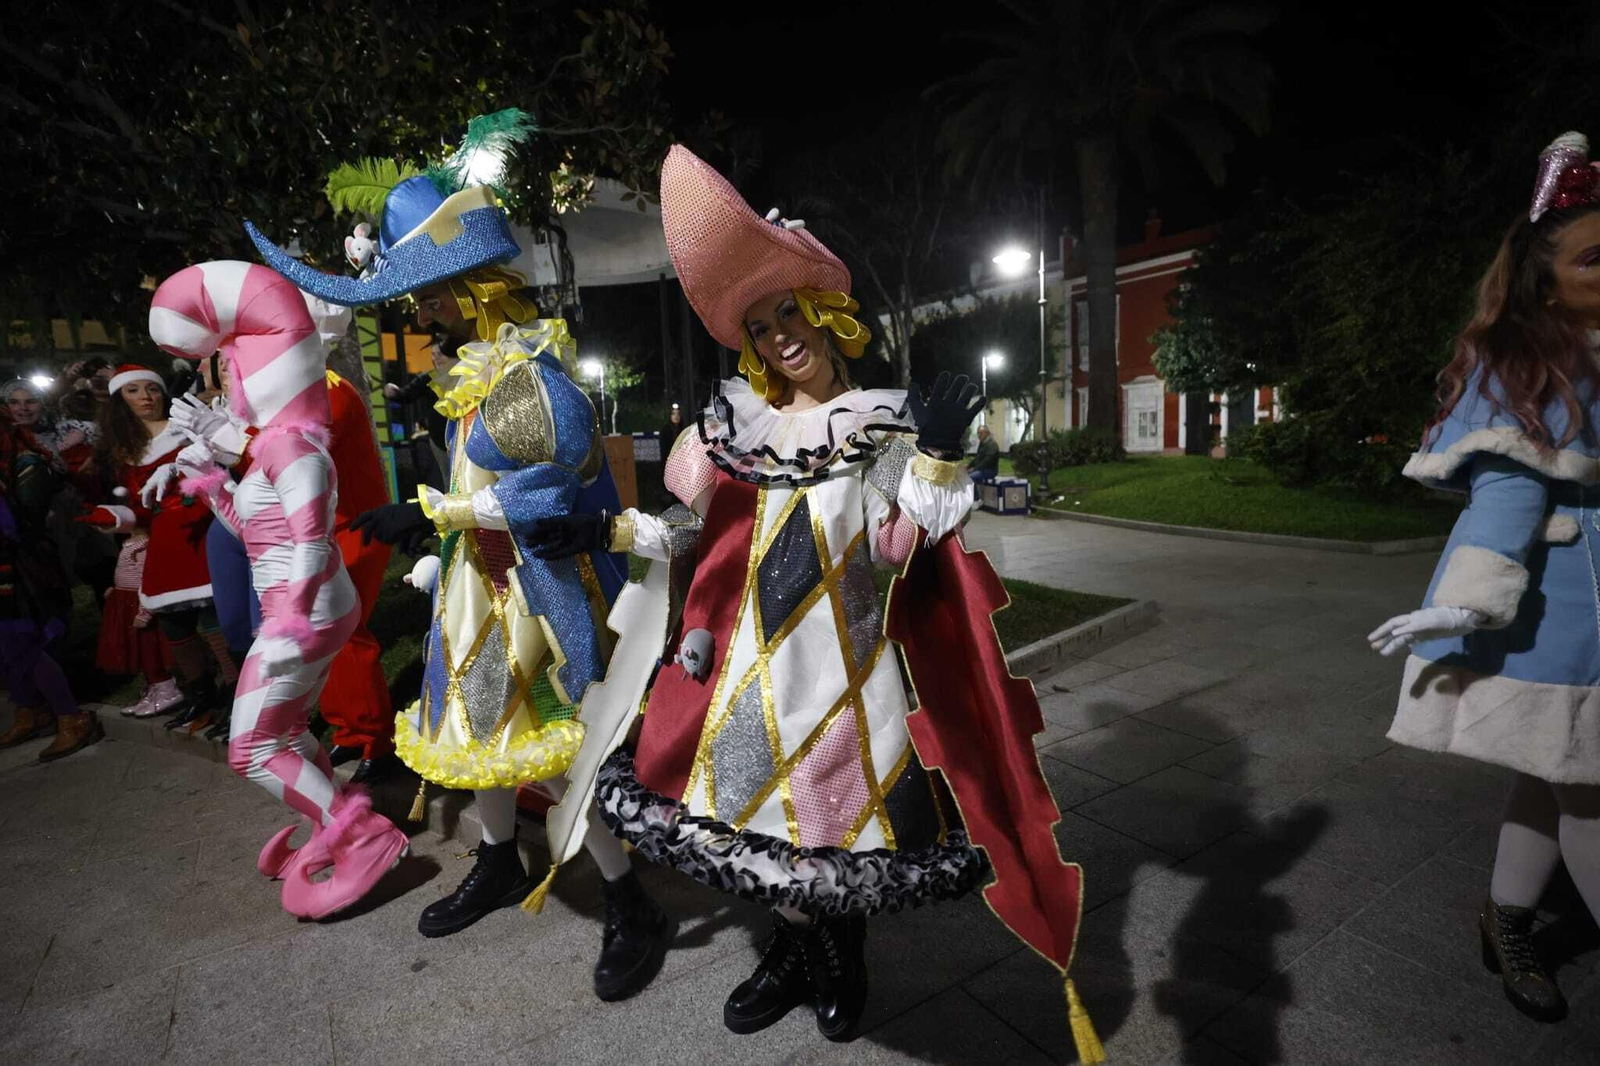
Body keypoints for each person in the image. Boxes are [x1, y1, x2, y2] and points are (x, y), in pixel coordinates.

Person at [526, 146, 1097, 1055]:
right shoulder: (733, 432)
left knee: (829, 836)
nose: (778, 335)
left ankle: (840, 957)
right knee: (751, 830)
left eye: (788, 310)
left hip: (840, 674)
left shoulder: (881, 424)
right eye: (758, 326)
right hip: (749, 674)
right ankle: (792, 953)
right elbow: (693, 542)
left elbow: (903, 544)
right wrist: (604, 534)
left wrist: (940, 456)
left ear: (825, 311)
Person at [249, 109, 671, 998]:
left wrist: (436, 509)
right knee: (474, 734)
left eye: (433, 298)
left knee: (558, 749)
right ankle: (498, 861)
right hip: (478, 591)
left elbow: (552, 491)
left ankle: (632, 897)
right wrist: (438, 535)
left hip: (533, 595)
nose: (425, 314)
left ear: (475, 289)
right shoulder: (484, 376)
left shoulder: (531, 378)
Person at [1368, 131, 1600, 1024]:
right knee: (1586, 785)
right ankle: (1510, 923)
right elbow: (1504, 494)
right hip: (1562, 621)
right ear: (1545, 279)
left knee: (1553, 776)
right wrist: (1461, 605)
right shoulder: (1532, 368)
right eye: (1593, 257)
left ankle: (1505, 920)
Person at [148, 260, 409, 920]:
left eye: (237, 373)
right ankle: (333, 821)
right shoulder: (277, 447)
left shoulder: (294, 447)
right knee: (285, 729)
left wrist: (290, 611)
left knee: (253, 747)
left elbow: (312, 526)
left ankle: (358, 831)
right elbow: (257, 530)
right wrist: (210, 483)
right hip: (307, 609)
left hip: (306, 613)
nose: (231, 387)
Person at [80, 365, 230, 731]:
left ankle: (236, 698)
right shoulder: (122, 451)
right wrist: (117, 517)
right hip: (161, 542)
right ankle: (200, 697)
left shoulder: (184, 430)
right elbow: (141, 509)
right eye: (133, 391)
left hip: (204, 530)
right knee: (173, 622)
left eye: (152, 388)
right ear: (119, 401)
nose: (146, 397)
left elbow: (218, 472)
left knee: (215, 619)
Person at [0, 407, 100, 760]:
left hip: (21, 568)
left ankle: (70, 715)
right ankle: (30, 709)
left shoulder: (26, 463)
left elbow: (16, 527)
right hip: (12, 565)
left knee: (24, 642)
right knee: (7, 646)